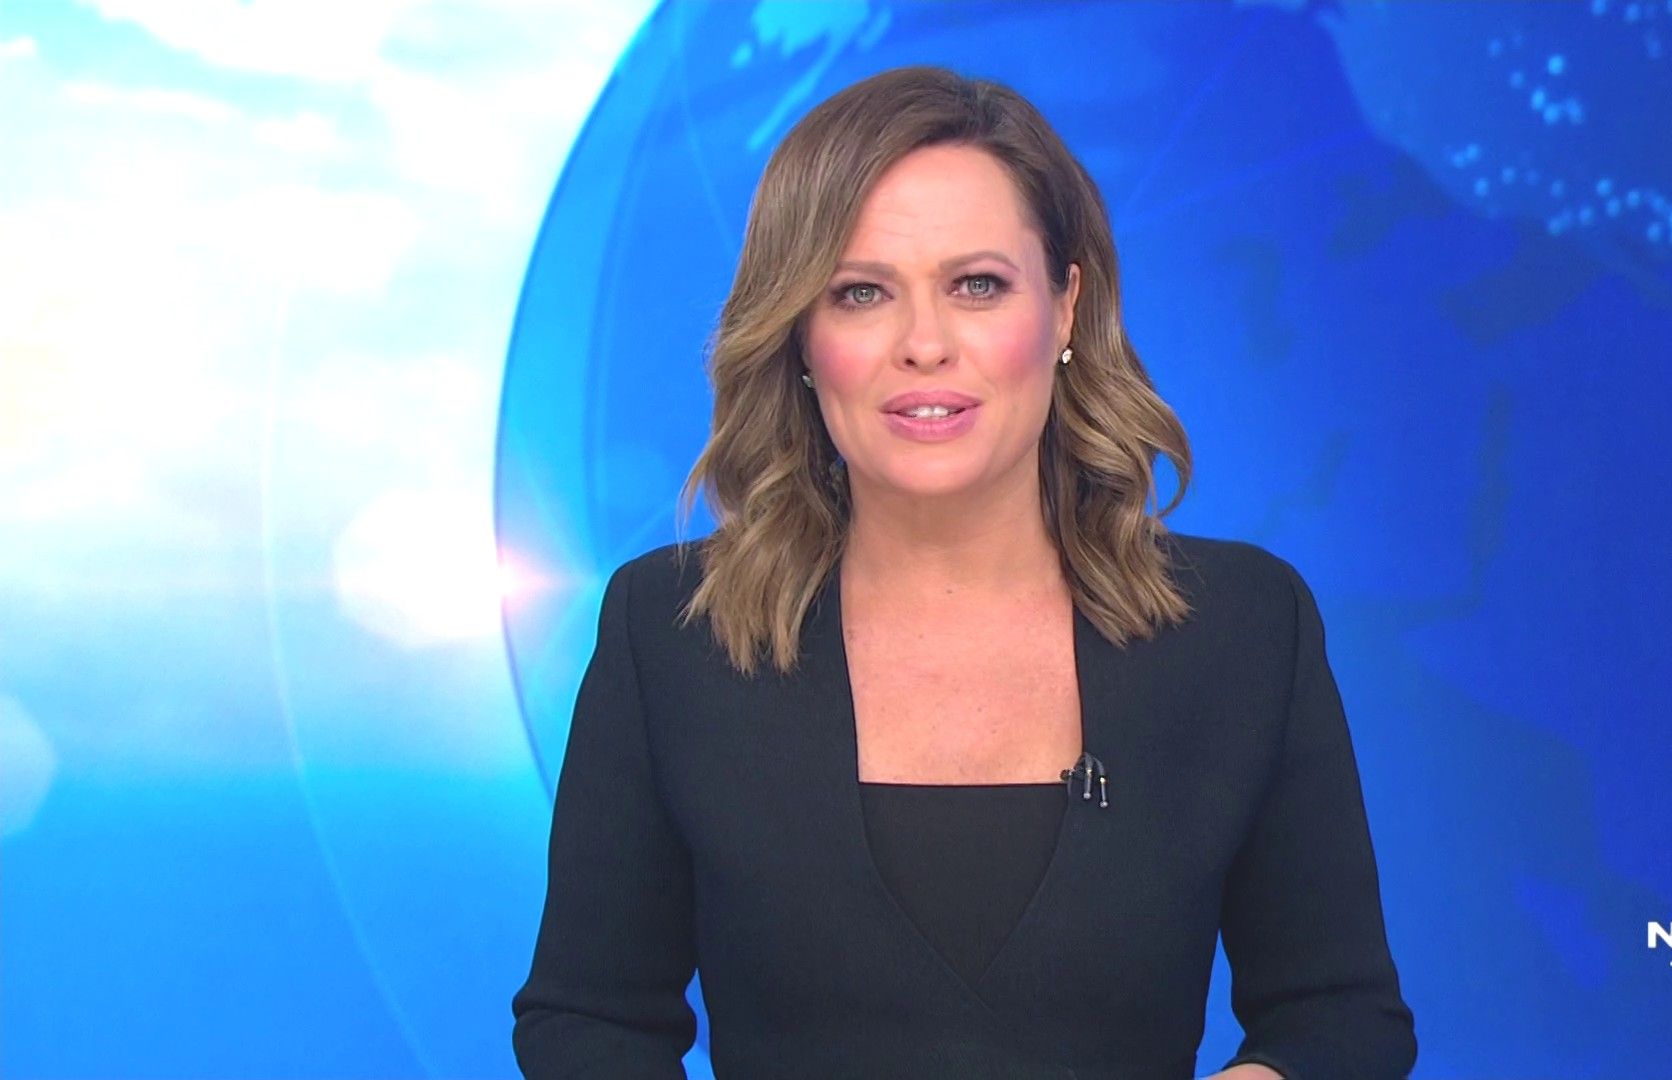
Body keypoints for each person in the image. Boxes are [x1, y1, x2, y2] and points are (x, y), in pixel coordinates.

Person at [510, 64, 1416, 1080]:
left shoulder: (1244, 628)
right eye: (860, 293)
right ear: (802, 336)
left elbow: (1340, 1022)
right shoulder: (672, 632)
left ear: (1066, 306)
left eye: (976, 285)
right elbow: (588, 1024)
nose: (925, 345)